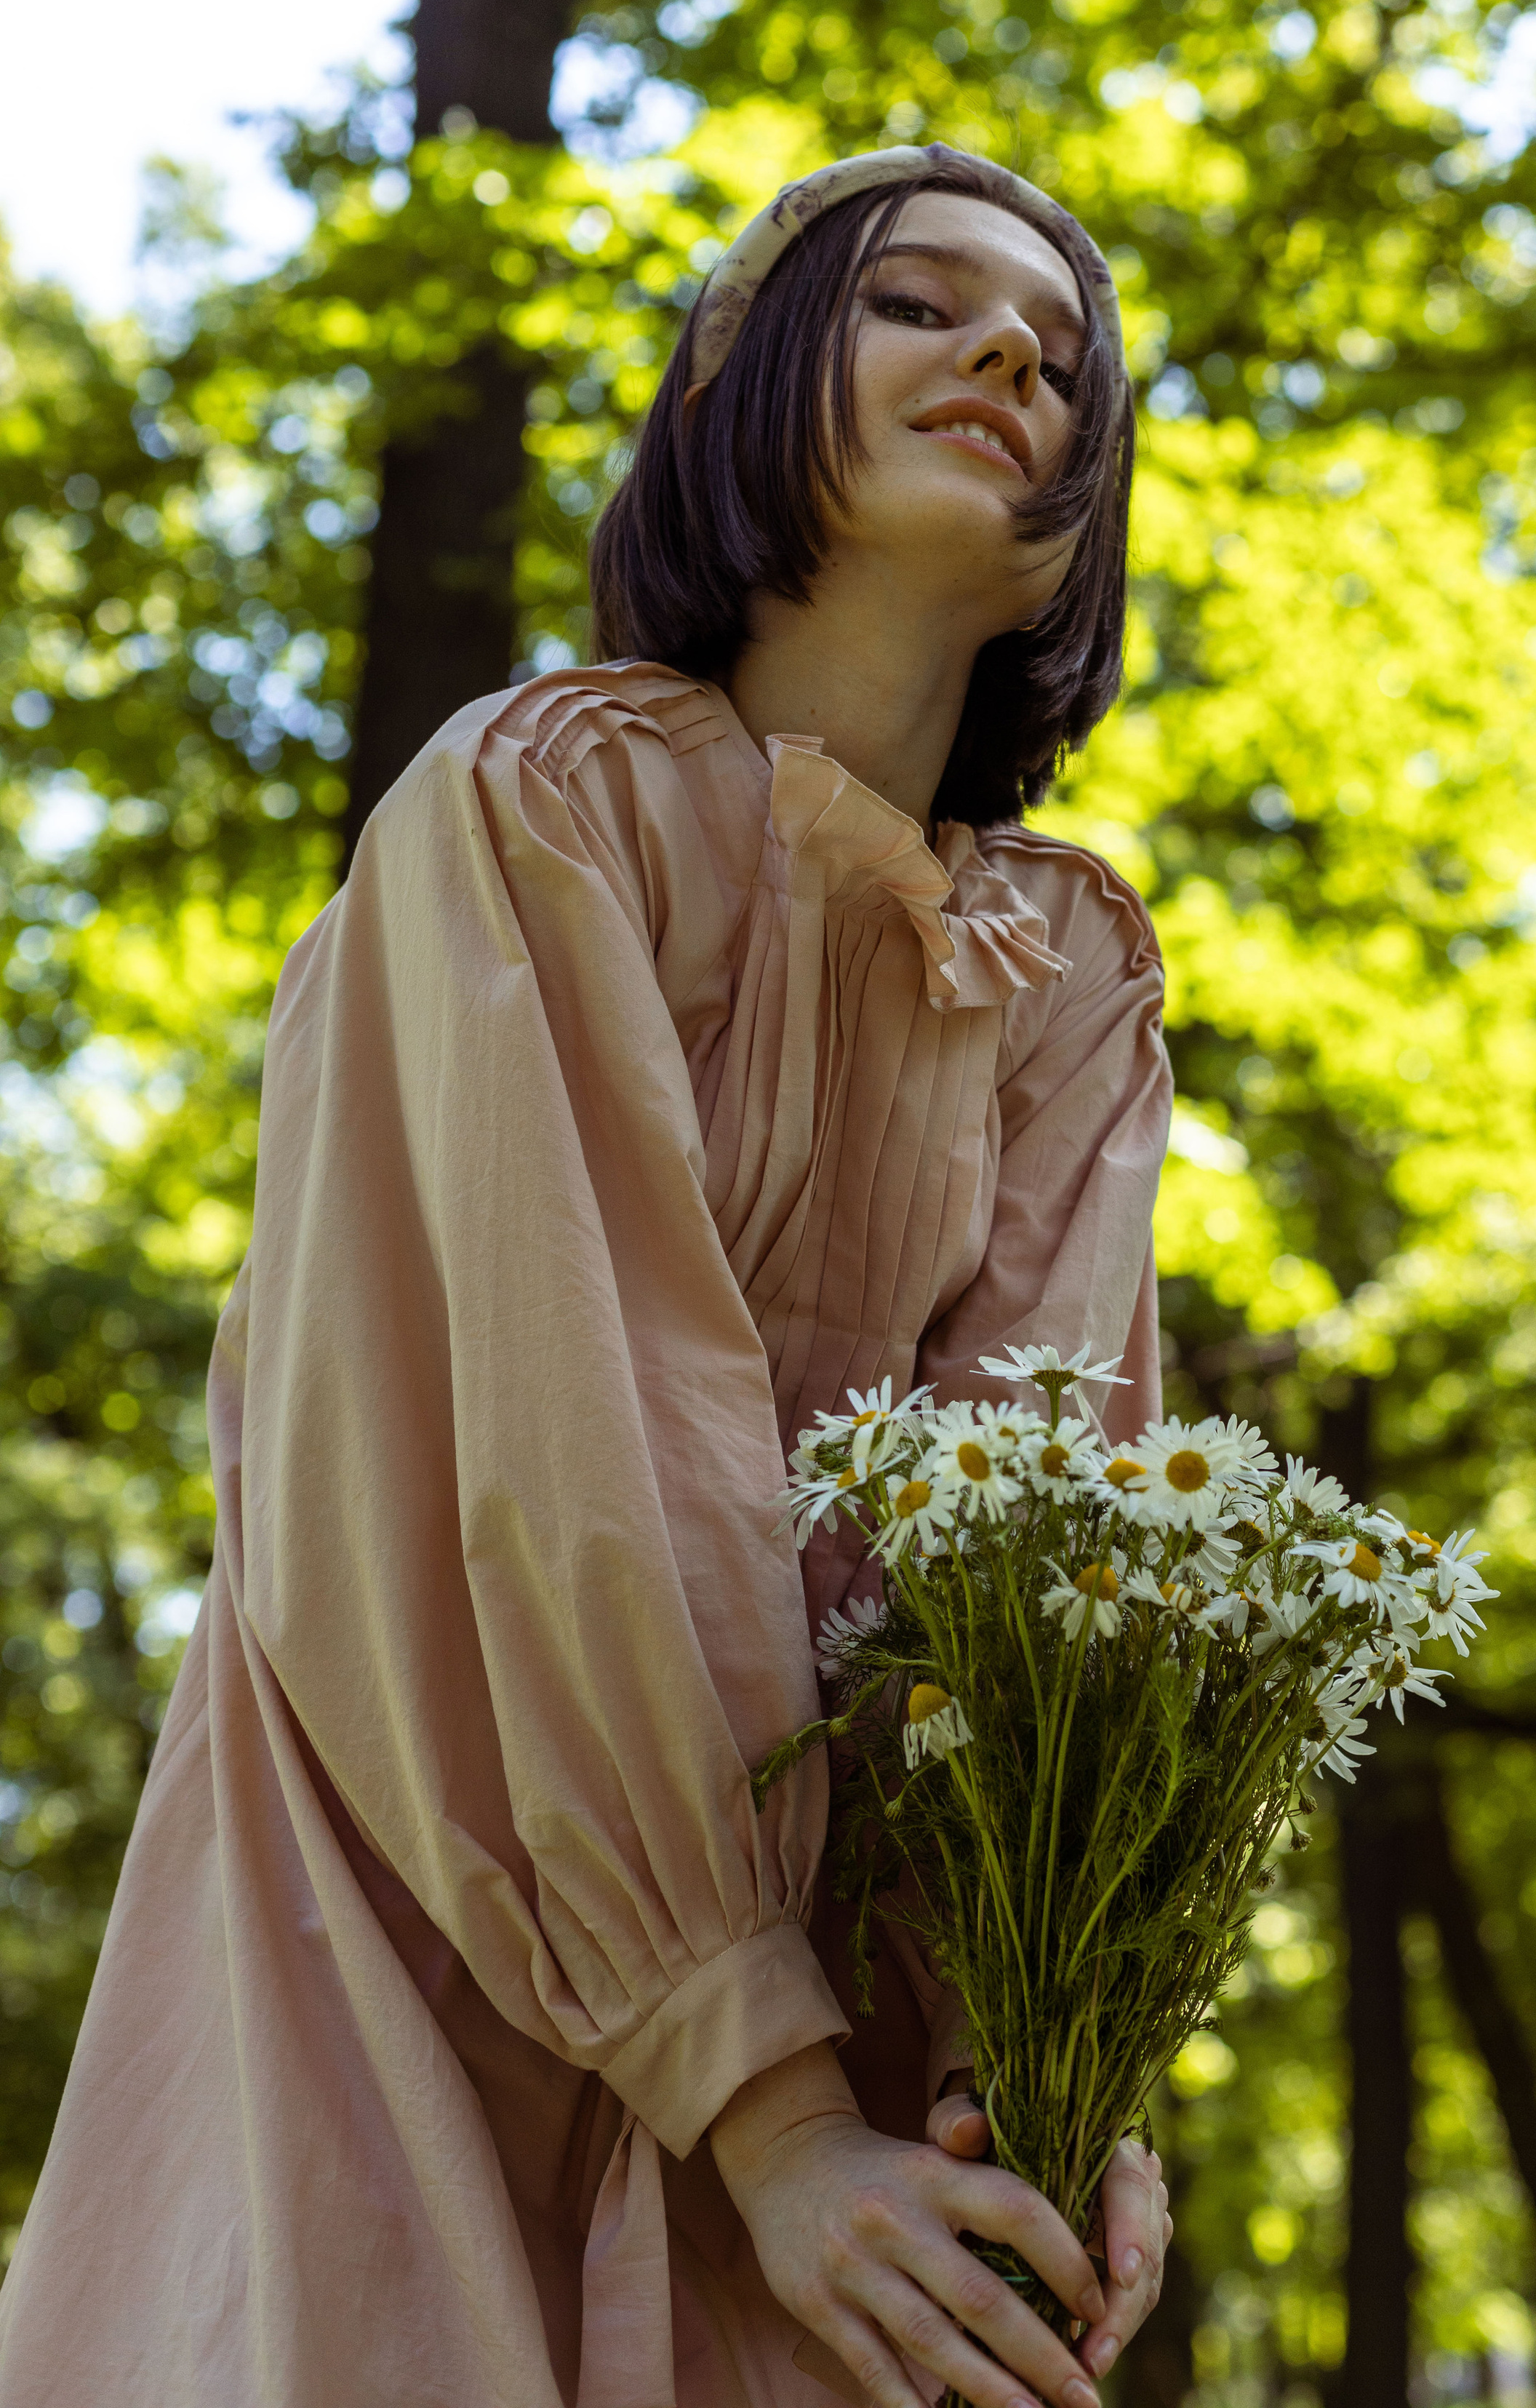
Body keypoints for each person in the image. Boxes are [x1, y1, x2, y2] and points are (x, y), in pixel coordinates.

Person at [0, 145, 1175, 2408]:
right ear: (740, 377)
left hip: (856, 2086)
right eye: (919, 305)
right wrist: (768, 2102)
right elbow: (562, 1461)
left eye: (1059, 352)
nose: (1014, 354)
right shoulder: (545, 807)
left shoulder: (1071, 977)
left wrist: (1067, 2052)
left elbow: (1056, 1559)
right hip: (438, 1942)